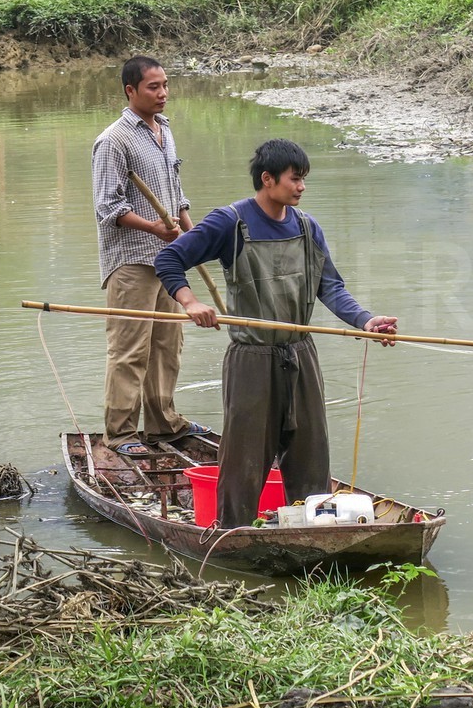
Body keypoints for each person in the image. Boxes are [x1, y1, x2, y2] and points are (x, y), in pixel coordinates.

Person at [155, 138, 397, 527]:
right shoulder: (229, 223)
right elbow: (169, 259)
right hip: (252, 358)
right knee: (244, 458)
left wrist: (366, 321)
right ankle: (232, 535)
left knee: (310, 455)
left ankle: (312, 532)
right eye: (294, 179)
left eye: (304, 180)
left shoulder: (306, 227)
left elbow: (330, 286)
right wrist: (190, 302)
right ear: (267, 179)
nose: (301, 187)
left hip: (301, 354)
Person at [92, 55, 203, 455]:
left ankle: (163, 423)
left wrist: (196, 237)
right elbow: (108, 207)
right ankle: (120, 433)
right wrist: (154, 227)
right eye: (153, 87)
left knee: (167, 345)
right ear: (130, 91)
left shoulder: (165, 130)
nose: (163, 94)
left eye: (165, 85)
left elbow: (176, 193)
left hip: (168, 260)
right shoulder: (113, 141)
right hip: (131, 262)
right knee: (130, 349)